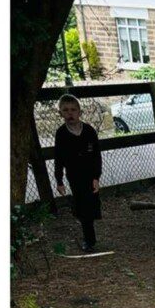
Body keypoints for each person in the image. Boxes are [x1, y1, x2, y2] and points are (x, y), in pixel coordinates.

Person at [51, 95, 103, 252]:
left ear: (79, 112)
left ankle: (89, 231)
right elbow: (58, 158)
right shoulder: (61, 134)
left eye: (73, 110)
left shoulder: (88, 131)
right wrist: (59, 180)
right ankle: (89, 239)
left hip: (90, 174)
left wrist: (96, 177)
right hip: (74, 176)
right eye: (66, 110)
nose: (70, 113)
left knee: (92, 205)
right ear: (61, 113)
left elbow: (96, 156)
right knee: (82, 207)